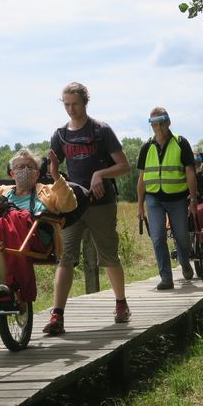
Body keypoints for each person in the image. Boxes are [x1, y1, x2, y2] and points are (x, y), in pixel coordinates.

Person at [43, 82, 131, 335]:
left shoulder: (101, 131)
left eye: (75, 104)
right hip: (71, 204)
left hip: (101, 203)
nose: (71, 109)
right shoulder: (60, 134)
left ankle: (121, 304)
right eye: (66, 104)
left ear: (85, 103)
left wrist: (100, 174)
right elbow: (53, 170)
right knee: (65, 256)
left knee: (108, 254)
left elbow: (124, 166)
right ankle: (57, 315)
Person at [0, 148, 77, 308]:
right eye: (20, 167)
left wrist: (56, 176)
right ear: (12, 173)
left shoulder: (46, 191)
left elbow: (69, 205)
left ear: (37, 173)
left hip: (34, 237)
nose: (24, 170)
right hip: (1, 235)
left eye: (29, 167)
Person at [137, 107, 198, 290]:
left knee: (181, 238)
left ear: (169, 122)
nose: (159, 126)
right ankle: (166, 278)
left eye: (162, 121)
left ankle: (185, 264)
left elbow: (190, 172)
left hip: (177, 198)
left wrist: (193, 200)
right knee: (157, 237)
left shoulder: (181, 143)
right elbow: (141, 178)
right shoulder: (146, 147)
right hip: (153, 199)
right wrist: (140, 205)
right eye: (155, 122)